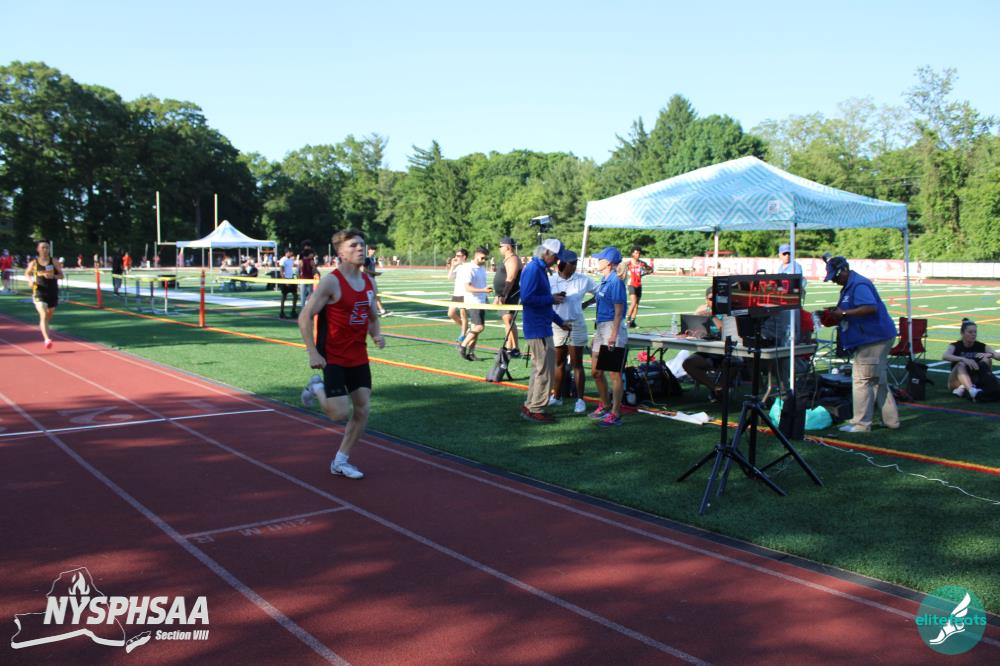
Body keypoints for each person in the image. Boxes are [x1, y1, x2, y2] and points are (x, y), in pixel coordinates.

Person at [298, 228, 385, 480]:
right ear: (341, 253)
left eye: (362, 244)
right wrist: (312, 352)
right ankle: (316, 387)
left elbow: (372, 316)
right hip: (332, 355)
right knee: (338, 414)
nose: (360, 249)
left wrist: (376, 334)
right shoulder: (331, 282)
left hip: (358, 355)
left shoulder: (369, 282)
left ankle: (340, 461)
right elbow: (305, 317)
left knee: (362, 410)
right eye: (353, 246)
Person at [822, 255, 900, 433]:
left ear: (844, 270)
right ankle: (891, 421)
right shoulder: (854, 283)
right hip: (877, 336)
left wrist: (843, 314)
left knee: (862, 380)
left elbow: (870, 307)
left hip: (873, 339)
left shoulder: (858, 285)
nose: (834, 281)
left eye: (835, 277)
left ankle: (861, 424)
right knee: (878, 380)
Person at [518, 239, 570, 423]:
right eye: (555, 257)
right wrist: (550, 299)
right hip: (538, 328)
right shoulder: (534, 269)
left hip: (540, 326)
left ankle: (531, 405)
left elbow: (538, 300)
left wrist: (560, 322)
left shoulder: (537, 268)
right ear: (546, 253)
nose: (557, 261)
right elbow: (527, 298)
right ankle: (536, 408)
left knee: (539, 370)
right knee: (545, 371)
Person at [548, 250, 597, 413]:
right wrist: (553, 298)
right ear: (561, 264)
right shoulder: (551, 280)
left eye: (576, 263)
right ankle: (557, 397)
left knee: (577, 364)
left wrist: (586, 304)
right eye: (572, 264)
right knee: (559, 362)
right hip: (557, 324)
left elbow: (600, 293)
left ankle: (580, 399)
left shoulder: (583, 279)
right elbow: (544, 300)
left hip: (576, 324)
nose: (574, 267)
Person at [590, 247, 628, 426]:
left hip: (612, 328)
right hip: (602, 328)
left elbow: (619, 312)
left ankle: (615, 412)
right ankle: (605, 405)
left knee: (614, 374)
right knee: (596, 372)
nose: (598, 261)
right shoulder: (604, 280)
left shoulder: (615, 281)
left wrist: (613, 335)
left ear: (609, 263)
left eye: (600, 259)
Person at [682, 286, 730, 401]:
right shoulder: (702, 309)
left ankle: (720, 389)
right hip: (706, 351)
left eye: (716, 299)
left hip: (725, 351)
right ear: (706, 299)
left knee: (731, 363)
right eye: (710, 299)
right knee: (688, 363)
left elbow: (726, 331)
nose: (713, 302)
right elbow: (691, 330)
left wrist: (712, 317)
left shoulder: (727, 311)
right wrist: (695, 318)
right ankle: (715, 388)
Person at [943, 319, 999, 401]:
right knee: (961, 364)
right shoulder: (955, 345)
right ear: (962, 333)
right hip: (956, 382)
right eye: (970, 332)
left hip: (975, 380)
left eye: (975, 332)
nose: (973, 334)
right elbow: (945, 356)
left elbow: (997, 356)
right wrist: (964, 359)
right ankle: (972, 391)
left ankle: (978, 386)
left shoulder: (981, 346)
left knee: (987, 360)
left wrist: (991, 354)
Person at [25, 240, 64, 349]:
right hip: (39, 291)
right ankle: (47, 339)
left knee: (48, 315)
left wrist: (53, 276)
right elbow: (27, 273)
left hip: (52, 292)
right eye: (43, 247)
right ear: (38, 249)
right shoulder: (34, 263)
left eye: (47, 247)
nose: (45, 249)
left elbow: (61, 275)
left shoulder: (54, 261)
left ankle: (44, 324)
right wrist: (30, 280)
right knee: (43, 314)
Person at [458, 247, 491, 361]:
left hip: (481, 301)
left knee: (475, 328)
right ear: (476, 255)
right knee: (479, 327)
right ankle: (463, 345)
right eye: (483, 258)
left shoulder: (482, 268)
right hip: (473, 302)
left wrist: (485, 297)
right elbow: (467, 287)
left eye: (486, 258)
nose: (484, 260)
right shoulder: (469, 268)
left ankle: (471, 353)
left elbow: (483, 284)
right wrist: (483, 290)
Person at [494, 237, 523, 357]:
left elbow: (511, 278)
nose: (499, 248)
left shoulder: (513, 259)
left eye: (500, 246)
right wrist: (498, 294)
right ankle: (509, 347)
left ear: (507, 247)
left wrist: (504, 294)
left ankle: (515, 348)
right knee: (507, 320)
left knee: (509, 320)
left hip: (510, 294)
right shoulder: (507, 259)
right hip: (504, 294)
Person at [624, 245, 653, 329]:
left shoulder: (642, 263)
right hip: (631, 284)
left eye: (639, 253)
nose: (638, 255)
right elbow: (620, 270)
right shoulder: (628, 263)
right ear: (632, 254)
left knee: (636, 304)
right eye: (636, 253)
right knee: (633, 302)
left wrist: (644, 273)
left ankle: (633, 322)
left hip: (639, 285)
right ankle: (628, 321)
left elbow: (650, 270)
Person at [447, 248, 470, 343]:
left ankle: (463, 334)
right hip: (456, 294)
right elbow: (449, 277)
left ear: (464, 257)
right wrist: (453, 266)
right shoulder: (458, 266)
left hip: (464, 294)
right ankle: (466, 329)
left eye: (458, 256)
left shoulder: (468, 266)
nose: (456, 257)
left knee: (463, 315)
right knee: (450, 313)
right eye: (455, 255)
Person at [364, 246, 389, 316]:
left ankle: (378, 310)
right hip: (368, 279)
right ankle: (381, 310)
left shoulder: (373, 258)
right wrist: (375, 273)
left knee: (373, 295)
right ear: (368, 250)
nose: (373, 251)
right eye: (372, 249)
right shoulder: (367, 259)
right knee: (375, 295)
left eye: (374, 249)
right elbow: (363, 269)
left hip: (371, 278)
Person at [278, 248, 299, 318]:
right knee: (284, 296)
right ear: (287, 252)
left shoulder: (291, 260)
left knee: (295, 295)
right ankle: (282, 312)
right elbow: (281, 271)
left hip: (291, 279)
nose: (292, 254)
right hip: (286, 279)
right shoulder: (283, 260)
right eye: (290, 252)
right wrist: (285, 281)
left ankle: (293, 311)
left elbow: (293, 268)